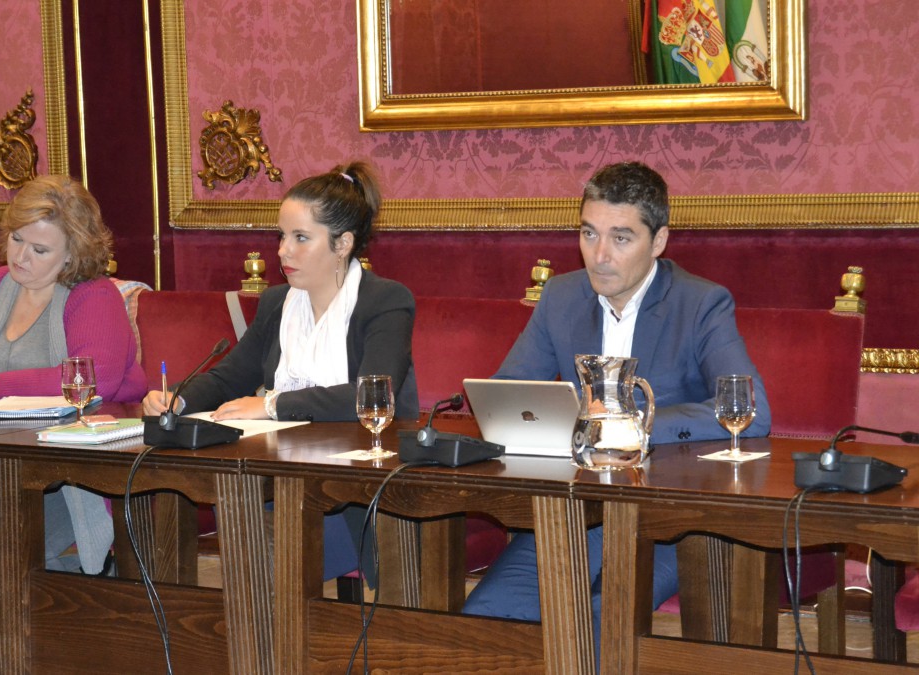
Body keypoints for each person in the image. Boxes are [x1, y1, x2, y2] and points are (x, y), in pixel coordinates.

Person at [461, 162, 772, 666]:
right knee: (487, 626)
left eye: (621, 238)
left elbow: (750, 412)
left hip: (664, 521)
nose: (599, 256)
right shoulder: (561, 298)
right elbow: (507, 393)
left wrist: (633, 426)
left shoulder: (700, 303)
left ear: (659, 241)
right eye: (589, 234)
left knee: (595, 628)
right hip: (569, 516)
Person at [142, 160, 419, 580]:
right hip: (284, 473)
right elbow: (229, 377)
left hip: (364, 484)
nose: (282, 251)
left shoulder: (385, 301)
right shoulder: (277, 303)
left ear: (343, 243)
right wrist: (178, 398)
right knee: (237, 510)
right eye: (282, 236)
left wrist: (272, 405)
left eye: (301, 238)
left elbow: (370, 396)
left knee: (261, 537)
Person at [0, 174, 147, 574]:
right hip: (1, 458)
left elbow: (92, 380)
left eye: (39, 250)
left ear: (72, 254)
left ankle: (60, 595)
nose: (20, 257)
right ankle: (39, 594)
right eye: (17, 239)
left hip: (74, 473)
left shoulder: (93, 295)